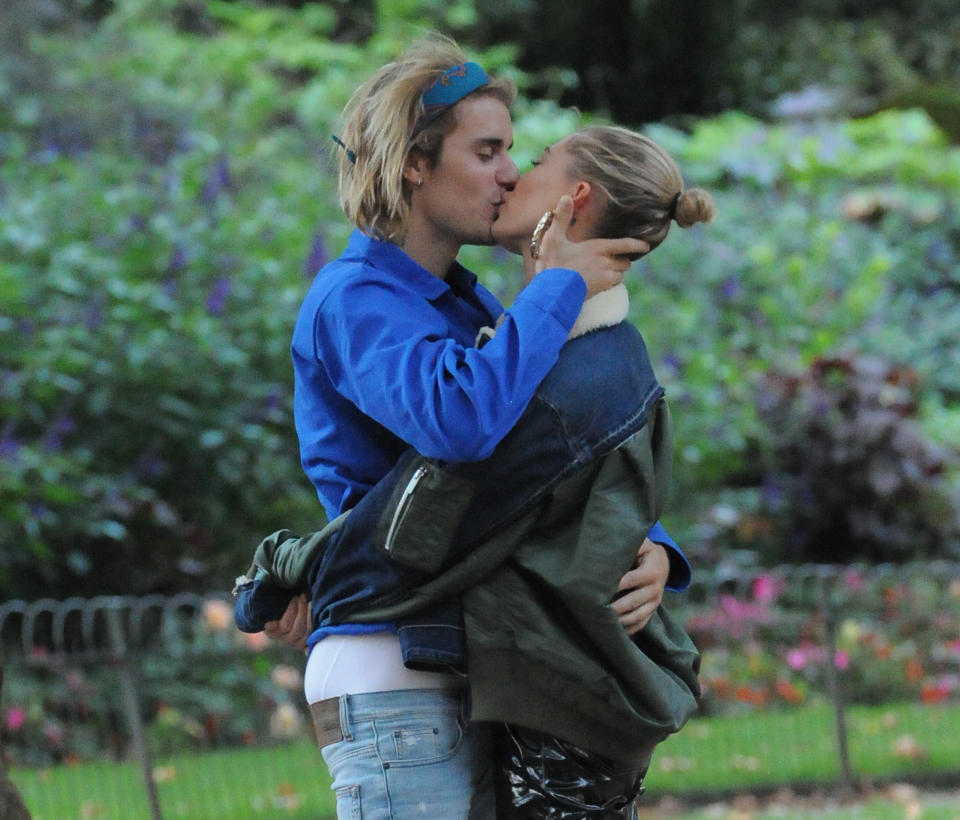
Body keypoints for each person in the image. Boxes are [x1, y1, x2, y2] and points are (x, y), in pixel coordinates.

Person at [240, 33, 685, 820]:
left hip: (471, 669)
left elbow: (545, 463)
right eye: (487, 151)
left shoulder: (471, 307)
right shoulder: (355, 300)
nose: (510, 173)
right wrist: (558, 288)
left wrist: (652, 547)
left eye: (512, 150)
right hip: (391, 675)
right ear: (415, 163)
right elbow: (460, 423)